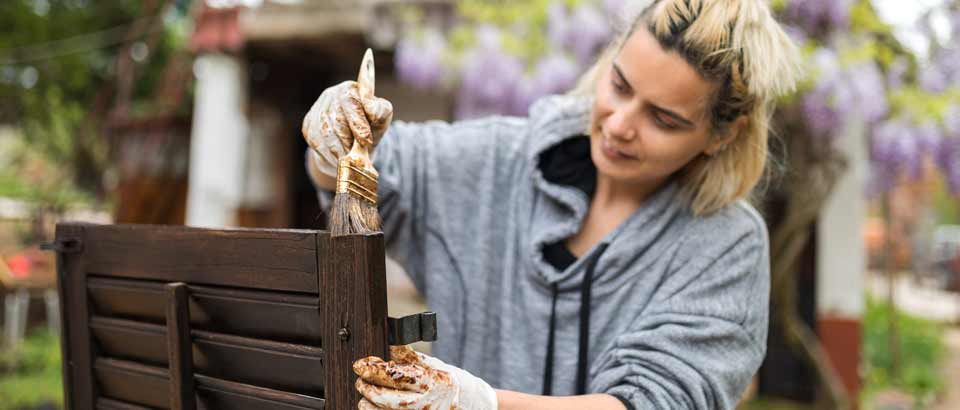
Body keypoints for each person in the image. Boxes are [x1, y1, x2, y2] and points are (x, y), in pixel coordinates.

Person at [302, 0, 801, 408]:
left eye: (664, 120)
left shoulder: (724, 244)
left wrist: (480, 404)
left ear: (721, 135)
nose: (621, 124)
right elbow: (368, 168)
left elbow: (655, 401)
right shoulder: (498, 160)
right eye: (620, 85)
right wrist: (334, 139)